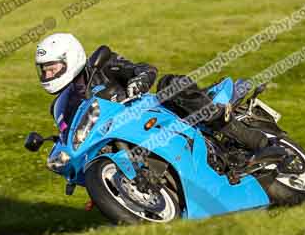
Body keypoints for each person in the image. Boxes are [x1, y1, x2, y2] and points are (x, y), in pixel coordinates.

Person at [34, 33, 275, 156]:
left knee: (169, 84)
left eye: (52, 68)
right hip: (122, 140)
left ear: (71, 58)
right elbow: (71, 135)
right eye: (44, 70)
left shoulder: (102, 66)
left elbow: (144, 69)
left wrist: (138, 81)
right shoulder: (63, 106)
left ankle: (231, 128)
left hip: (152, 115)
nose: (48, 75)